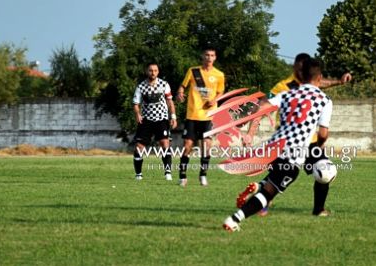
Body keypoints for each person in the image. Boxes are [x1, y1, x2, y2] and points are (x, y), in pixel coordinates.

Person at [223, 57, 333, 232]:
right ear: (319, 77)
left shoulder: (287, 94)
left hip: (273, 147)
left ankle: (256, 192)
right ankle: (234, 219)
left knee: (271, 186)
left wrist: (243, 121)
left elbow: (262, 105)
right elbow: (323, 134)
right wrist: (319, 145)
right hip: (294, 152)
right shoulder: (324, 100)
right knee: (269, 193)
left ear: (301, 75)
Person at [244, 52, 351, 216]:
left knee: (324, 172)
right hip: (288, 142)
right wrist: (250, 133)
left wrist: (339, 82)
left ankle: (318, 209)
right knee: (282, 176)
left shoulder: (309, 85)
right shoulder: (283, 87)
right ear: (295, 68)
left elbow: (322, 83)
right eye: (300, 69)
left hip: (310, 143)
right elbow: (262, 107)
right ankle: (261, 198)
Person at [176, 48, 225, 187]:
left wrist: (215, 100)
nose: (209, 57)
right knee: (187, 146)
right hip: (192, 114)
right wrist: (180, 93)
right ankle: (182, 176)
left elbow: (221, 92)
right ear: (202, 56)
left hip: (209, 116)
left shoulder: (219, 75)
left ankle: (203, 175)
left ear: (215, 58)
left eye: (212, 55)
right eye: (207, 55)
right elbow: (182, 86)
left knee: (206, 146)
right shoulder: (193, 71)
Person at [132, 63, 177, 181]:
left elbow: (170, 102)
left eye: (155, 70)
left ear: (158, 72)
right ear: (147, 71)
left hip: (161, 119)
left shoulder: (164, 84)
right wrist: (137, 114)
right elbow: (136, 104)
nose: (153, 73)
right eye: (151, 70)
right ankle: (138, 175)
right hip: (146, 120)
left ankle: (168, 172)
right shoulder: (141, 86)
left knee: (165, 144)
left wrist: (173, 116)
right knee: (139, 147)